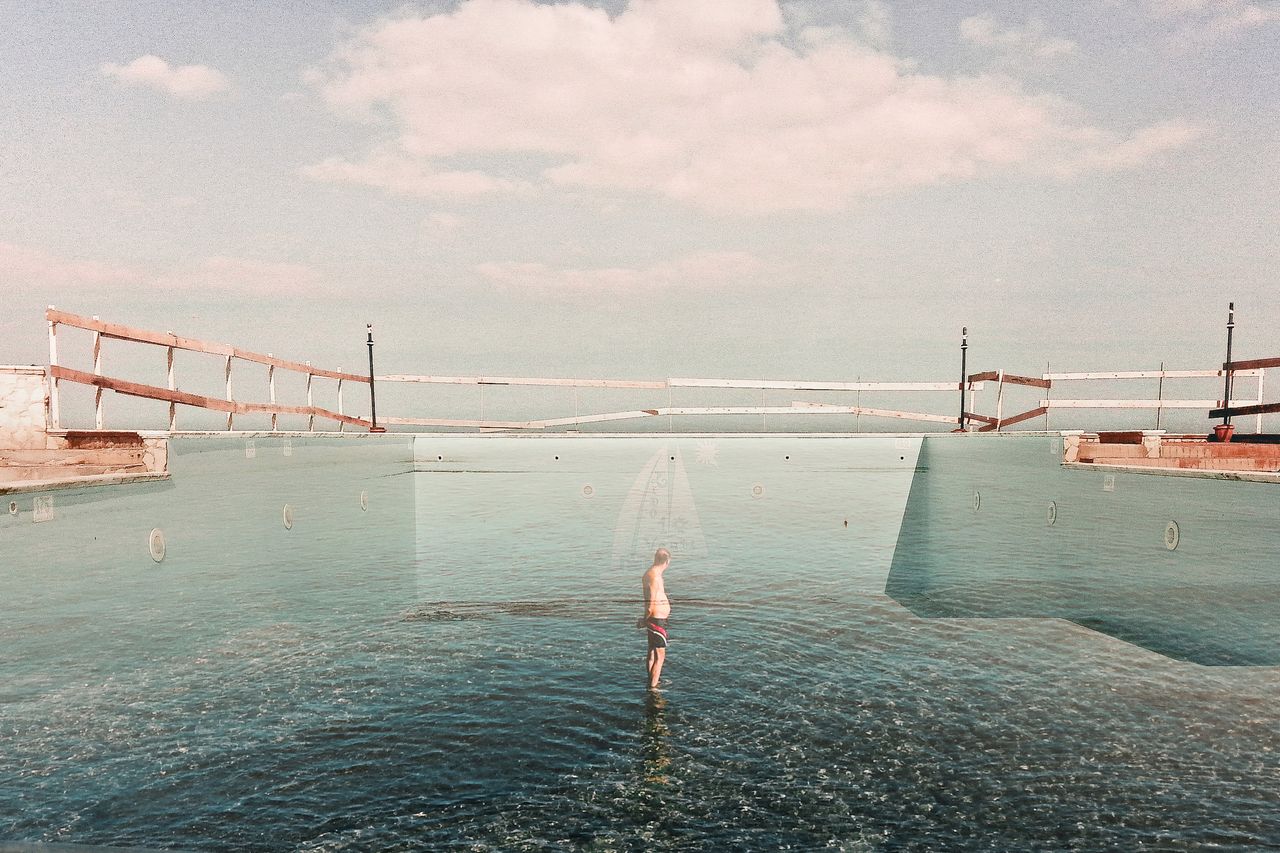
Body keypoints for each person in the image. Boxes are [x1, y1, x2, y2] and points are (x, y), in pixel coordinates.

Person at [639, 547, 672, 690]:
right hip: (657, 621)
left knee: (652, 651)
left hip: (655, 620)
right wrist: (644, 619)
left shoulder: (651, 574)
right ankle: (653, 689)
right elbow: (650, 603)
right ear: (666, 562)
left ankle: (651, 681)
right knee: (660, 656)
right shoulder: (654, 577)